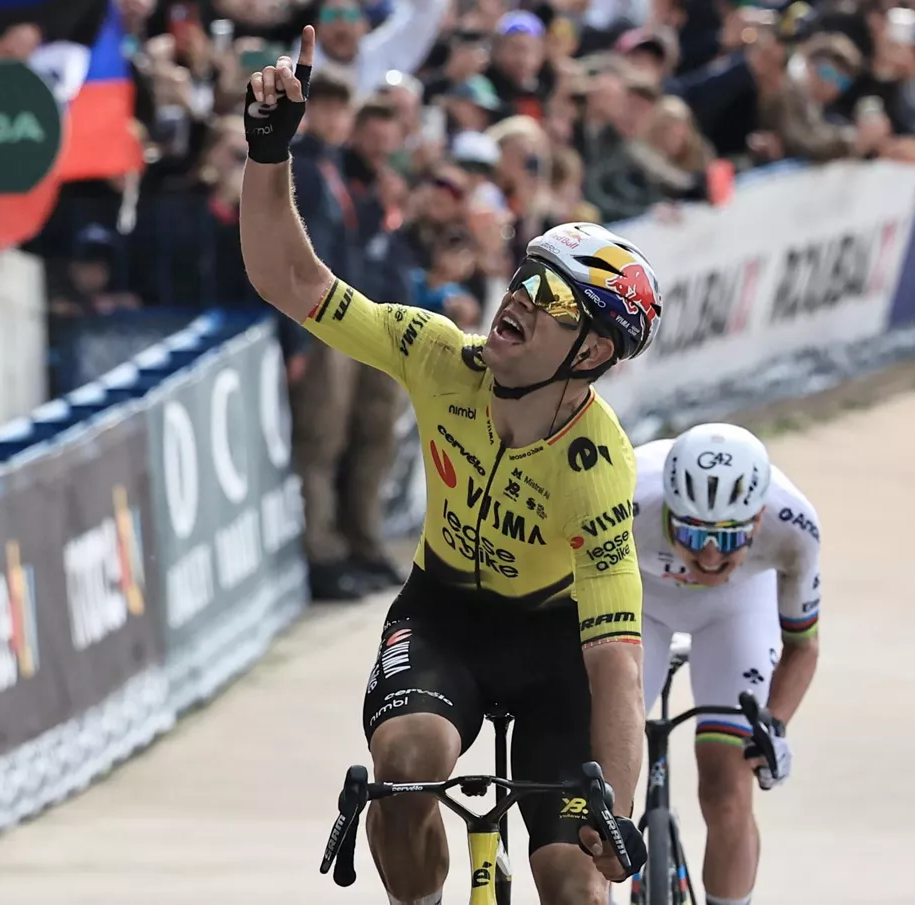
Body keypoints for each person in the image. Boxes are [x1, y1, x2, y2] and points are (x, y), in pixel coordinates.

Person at [240, 29, 658, 905]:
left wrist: (617, 811)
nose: (519, 297)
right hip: (443, 617)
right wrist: (269, 152)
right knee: (403, 766)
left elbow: (616, 659)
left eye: (553, 298)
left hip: (554, 652)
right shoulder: (437, 354)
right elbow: (293, 281)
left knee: (576, 885)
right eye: (527, 272)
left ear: (589, 353)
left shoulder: (595, 465)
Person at [632, 423, 822, 905]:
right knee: (606, 772)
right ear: (670, 513)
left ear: (758, 521)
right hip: (638, 600)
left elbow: (802, 645)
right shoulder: (625, 498)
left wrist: (774, 727)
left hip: (736, 610)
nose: (711, 556)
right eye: (692, 534)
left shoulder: (794, 524)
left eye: (729, 537)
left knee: (727, 787)